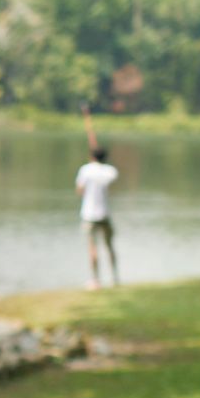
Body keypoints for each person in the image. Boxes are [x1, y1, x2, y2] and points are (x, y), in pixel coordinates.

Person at [74, 109, 120, 288]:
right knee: (110, 247)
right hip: (104, 214)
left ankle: (95, 280)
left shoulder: (86, 170)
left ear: (92, 156)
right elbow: (110, 177)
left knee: (92, 248)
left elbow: (79, 190)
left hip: (89, 214)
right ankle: (115, 278)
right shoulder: (109, 171)